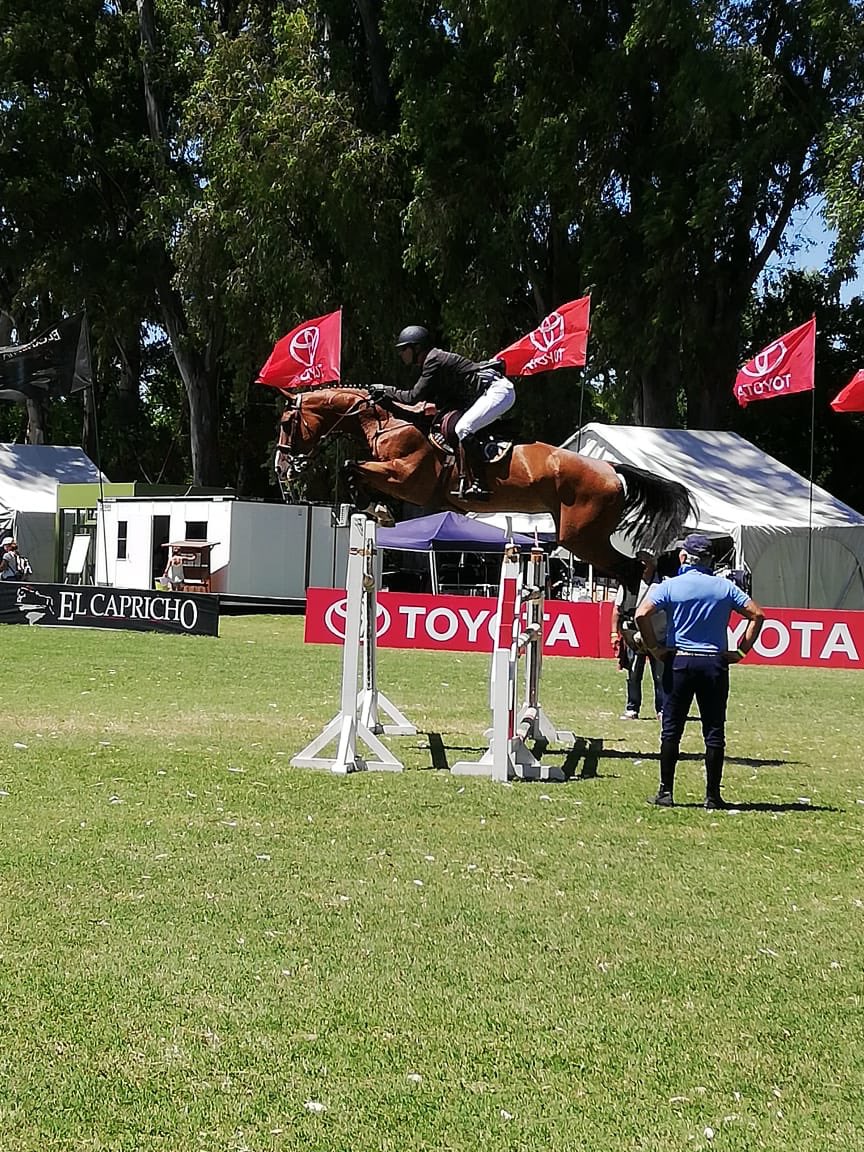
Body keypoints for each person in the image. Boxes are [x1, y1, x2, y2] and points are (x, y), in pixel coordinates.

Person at [635, 532, 764, 810]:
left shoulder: (670, 585)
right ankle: (713, 796)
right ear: (709, 560)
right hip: (713, 664)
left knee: (671, 730)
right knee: (714, 730)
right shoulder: (725, 587)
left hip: (679, 661)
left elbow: (641, 614)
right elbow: (757, 614)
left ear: (684, 557)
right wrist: (741, 651)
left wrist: (654, 648)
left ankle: (666, 792)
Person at [368, 325, 516, 500]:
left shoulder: (434, 361)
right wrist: (388, 402)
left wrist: (385, 390)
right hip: (484, 393)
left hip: (497, 391)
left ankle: (480, 484)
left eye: (404, 349)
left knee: (463, 428)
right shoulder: (432, 361)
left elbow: (412, 397)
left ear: (417, 348)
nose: (401, 354)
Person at [610, 550, 666, 720]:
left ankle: (662, 710)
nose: (642, 564)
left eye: (645, 561)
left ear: (653, 563)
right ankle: (632, 708)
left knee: (660, 675)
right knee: (633, 674)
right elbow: (617, 610)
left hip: (657, 635)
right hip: (633, 635)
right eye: (639, 561)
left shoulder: (664, 584)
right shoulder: (628, 584)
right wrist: (614, 633)